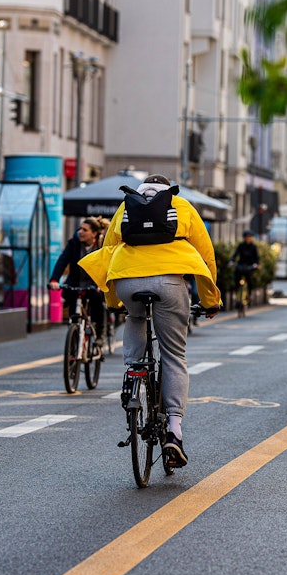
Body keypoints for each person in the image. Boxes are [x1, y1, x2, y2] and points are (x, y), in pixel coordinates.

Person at [79, 174, 221, 469]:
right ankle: (175, 432)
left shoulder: (126, 206)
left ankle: (134, 374)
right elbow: (206, 255)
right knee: (173, 355)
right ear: (167, 190)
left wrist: (113, 301)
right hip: (170, 281)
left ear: (142, 190)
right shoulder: (181, 206)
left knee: (134, 315)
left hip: (127, 279)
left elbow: (108, 250)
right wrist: (210, 300)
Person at [49, 217, 107, 346]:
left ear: (94, 233)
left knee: (97, 300)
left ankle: (100, 332)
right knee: (73, 307)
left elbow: (107, 265)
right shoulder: (73, 243)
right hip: (76, 281)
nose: (80, 232)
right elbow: (62, 261)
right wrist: (54, 279)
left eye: (85, 230)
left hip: (95, 282)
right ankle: (74, 334)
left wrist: (102, 283)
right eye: (80, 228)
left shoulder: (102, 245)